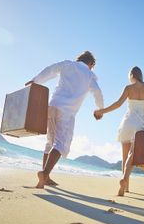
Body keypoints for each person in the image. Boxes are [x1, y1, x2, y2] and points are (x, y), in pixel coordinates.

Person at [25, 51, 104, 188]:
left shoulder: (68, 64)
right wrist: (100, 109)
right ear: (91, 63)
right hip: (67, 112)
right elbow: (98, 93)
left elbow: (51, 69)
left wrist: (36, 80)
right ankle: (44, 174)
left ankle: (46, 177)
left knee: (50, 141)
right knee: (61, 144)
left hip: (52, 105)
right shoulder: (89, 75)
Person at [94, 66, 144, 196]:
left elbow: (117, 104)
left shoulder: (128, 88)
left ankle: (125, 188)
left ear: (132, 75)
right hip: (140, 125)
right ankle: (125, 180)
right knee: (132, 155)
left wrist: (101, 111)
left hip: (127, 123)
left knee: (124, 155)